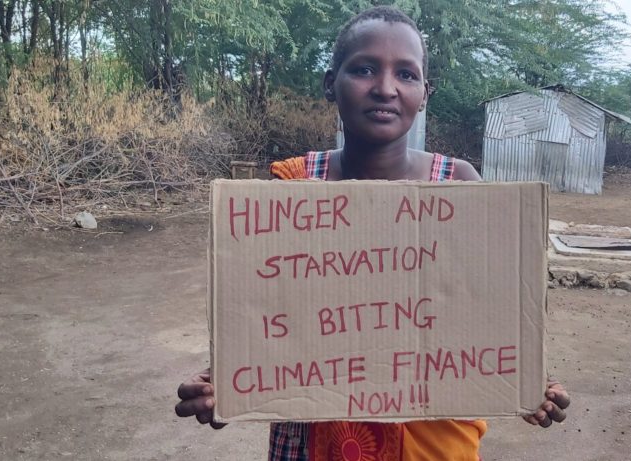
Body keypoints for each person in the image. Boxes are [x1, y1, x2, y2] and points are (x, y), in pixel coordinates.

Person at [175, 6, 570, 460]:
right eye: (364, 69)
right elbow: (265, 321)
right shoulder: (292, 192)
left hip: (433, 444)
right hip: (313, 444)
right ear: (330, 84)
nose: (385, 88)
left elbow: (486, 314)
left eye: (406, 74)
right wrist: (229, 383)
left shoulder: (458, 185)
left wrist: (525, 382)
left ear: (425, 93)